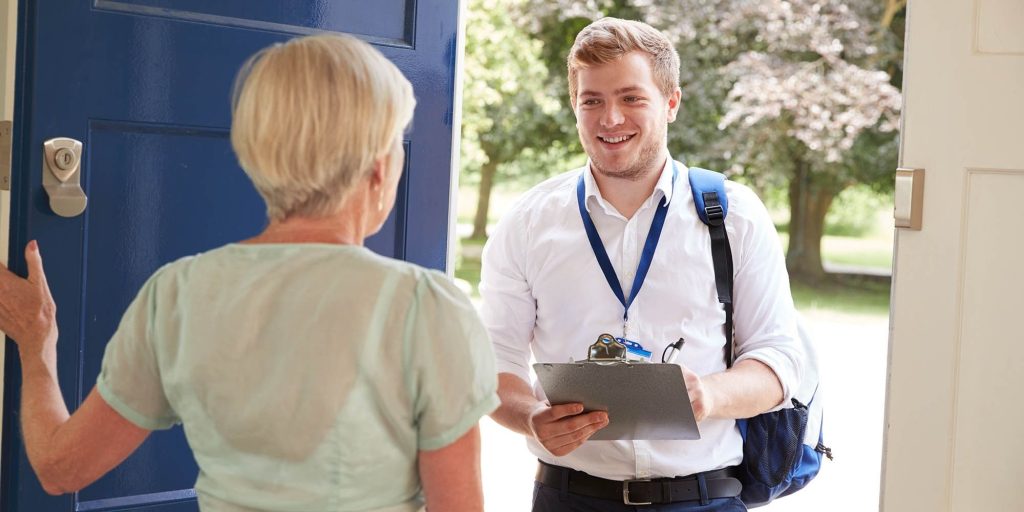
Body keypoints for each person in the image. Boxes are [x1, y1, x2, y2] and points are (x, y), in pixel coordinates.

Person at [0, 34, 498, 512]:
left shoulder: (176, 295)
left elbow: (59, 468)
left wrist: (36, 340)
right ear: (376, 169)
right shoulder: (428, 307)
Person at [480, 18, 805, 511]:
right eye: (592, 101)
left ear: (671, 102)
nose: (610, 118)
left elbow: (781, 363)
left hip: (703, 498)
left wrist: (709, 397)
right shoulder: (527, 222)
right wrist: (530, 418)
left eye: (631, 98)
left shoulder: (734, 216)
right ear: (575, 105)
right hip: (568, 498)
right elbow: (493, 365)